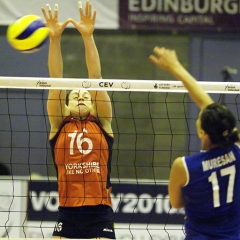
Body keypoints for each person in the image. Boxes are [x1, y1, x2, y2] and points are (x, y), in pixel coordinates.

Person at [41, 1, 115, 239]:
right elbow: (56, 79)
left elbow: (95, 77)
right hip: (67, 209)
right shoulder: (59, 124)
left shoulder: (101, 122)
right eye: (75, 95)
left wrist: (87, 36)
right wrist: (54, 39)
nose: (81, 96)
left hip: (100, 210)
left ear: (93, 103)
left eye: (85, 95)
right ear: (66, 104)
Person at [149, 47, 240, 239]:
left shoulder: (184, 166)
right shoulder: (237, 149)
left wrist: (175, 67)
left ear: (202, 132)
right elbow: (209, 107)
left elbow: (176, 203)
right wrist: (176, 67)